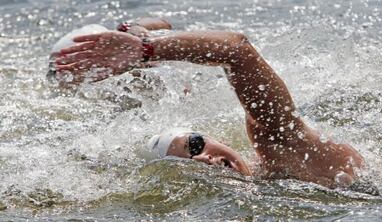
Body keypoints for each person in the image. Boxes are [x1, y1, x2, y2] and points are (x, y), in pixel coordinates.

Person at [53, 18, 364, 189]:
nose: (202, 159)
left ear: (218, 138)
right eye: (185, 163)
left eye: (196, 144)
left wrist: (146, 49)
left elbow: (238, 50)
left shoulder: (279, 145)